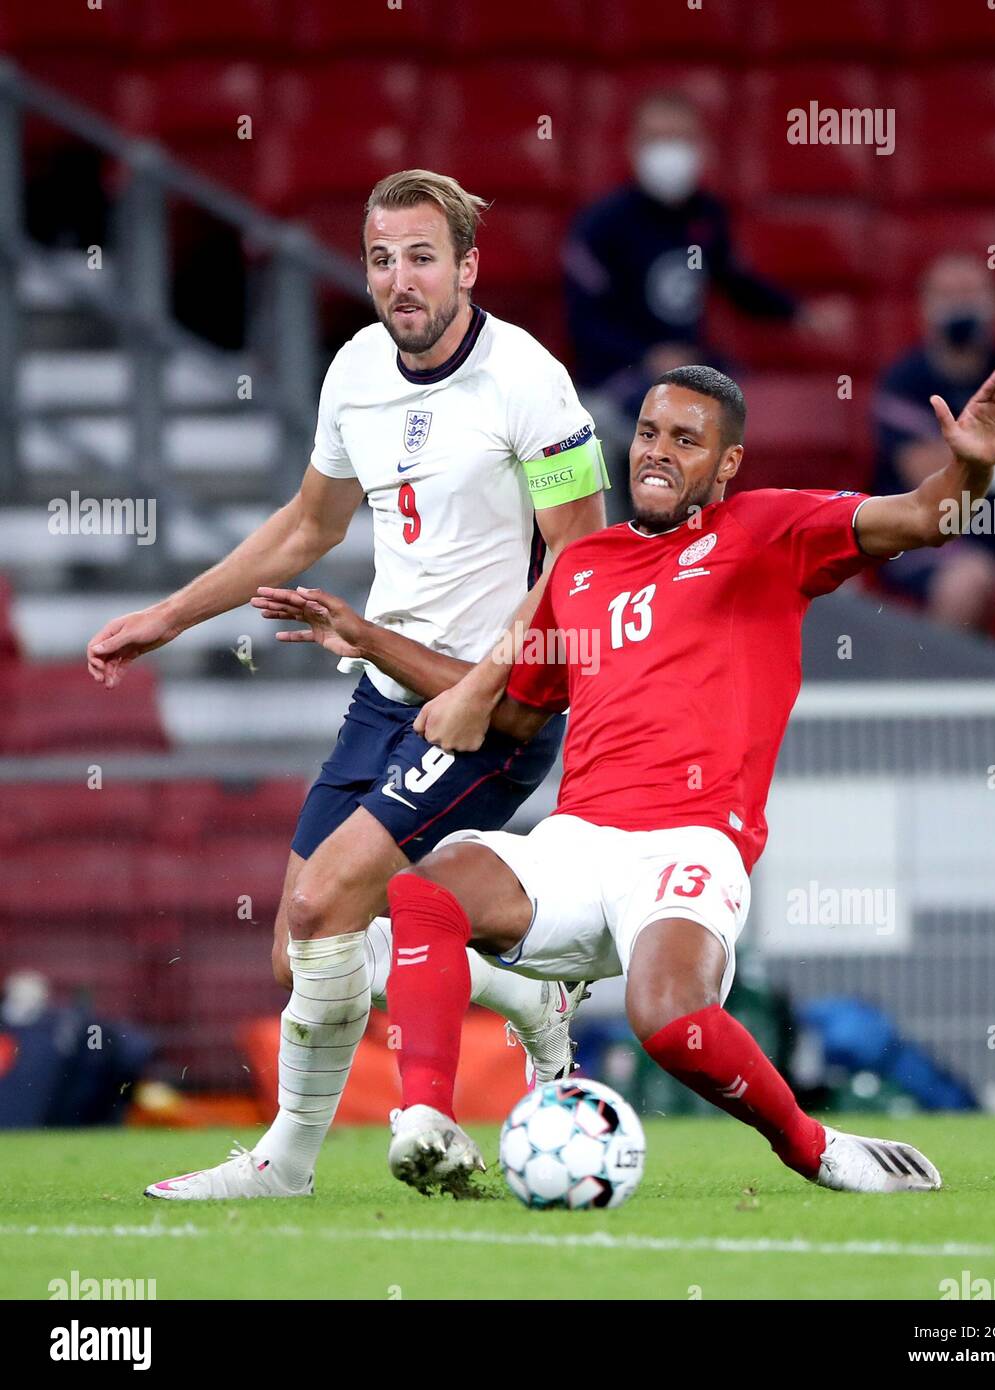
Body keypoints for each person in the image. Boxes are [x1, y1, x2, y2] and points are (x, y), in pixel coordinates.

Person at [287, 361, 995, 1195]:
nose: (657, 452)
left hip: (691, 839)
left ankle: (811, 1147)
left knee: (662, 1015)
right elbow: (507, 715)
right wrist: (368, 637)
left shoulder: (764, 530)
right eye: (648, 432)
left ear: (725, 466)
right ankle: (426, 1121)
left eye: (686, 440)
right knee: (425, 894)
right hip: (578, 842)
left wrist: (970, 466)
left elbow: (924, 516)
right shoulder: (580, 568)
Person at [85, 169, 608, 1200]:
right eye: (380, 258)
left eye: (421, 256)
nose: (399, 279)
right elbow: (308, 526)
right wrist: (167, 615)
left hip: (487, 702)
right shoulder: (358, 370)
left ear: (466, 266)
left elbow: (577, 564)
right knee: (298, 956)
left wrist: (481, 689)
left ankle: (286, 1164)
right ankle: (522, 990)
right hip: (382, 691)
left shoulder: (530, 385)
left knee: (327, 905)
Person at [564, 90, 841, 517]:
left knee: (749, 410)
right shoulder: (602, 226)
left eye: (680, 139)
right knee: (601, 433)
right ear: (635, 148)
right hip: (618, 377)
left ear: (701, 149)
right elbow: (585, 323)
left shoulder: (706, 215)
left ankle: (734, 541)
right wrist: (646, 356)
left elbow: (734, 280)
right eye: (658, 139)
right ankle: (615, 545)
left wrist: (797, 313)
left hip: (692, 371)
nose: (669, 152)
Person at [872, 253, 995, 628]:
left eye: (973, 293)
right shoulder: (903, 381)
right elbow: (923, 468)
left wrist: (972, 456)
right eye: (949, 295)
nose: (962, 305)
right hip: (933, 532)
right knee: (967, 581)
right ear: (924, 308)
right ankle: (937, 684)